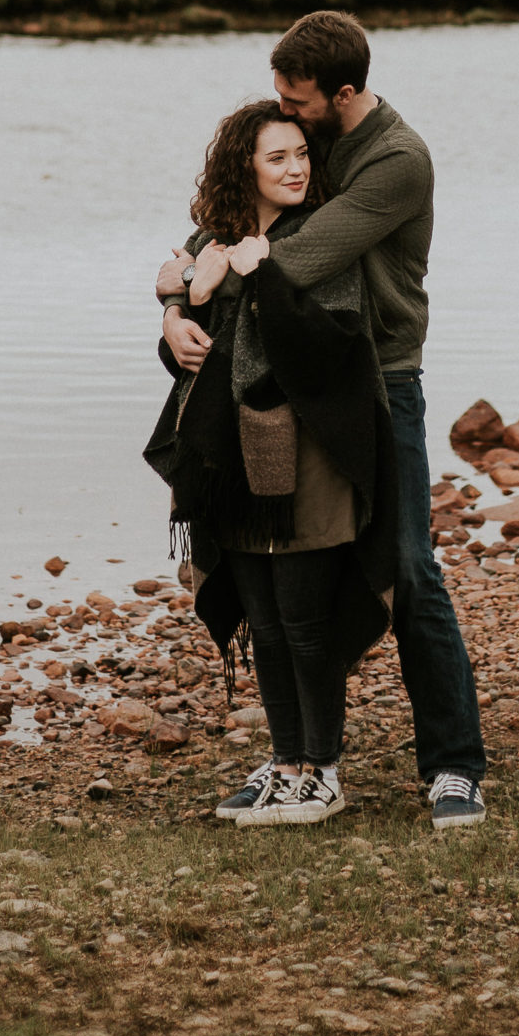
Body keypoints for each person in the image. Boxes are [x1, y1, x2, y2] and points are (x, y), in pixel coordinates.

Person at [157, 11, 487, 830]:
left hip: (379, 382)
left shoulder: (395, 160)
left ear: (340, 96)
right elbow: (225, 224)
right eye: (279, 104)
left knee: (406, 570)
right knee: (279, 575)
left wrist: (193, 275)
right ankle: (303, 758)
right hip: (299, 388)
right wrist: (171, 300)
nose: (287, 117)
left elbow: (287, 259)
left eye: (296, 104)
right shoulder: (310, 141)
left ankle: (452, 767)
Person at [145, 99, 397, 825]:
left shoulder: (318, 237)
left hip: (310, 449)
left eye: (300, 154)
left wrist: (263, 278)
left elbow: (330, 348)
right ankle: (285, 763)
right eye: (276, 157)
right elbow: (190, 346)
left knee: (305, 619)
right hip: (231, 455)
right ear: (243, 168)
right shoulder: (211, 236)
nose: (294, 168)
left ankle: (322, 770)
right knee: (262, 615)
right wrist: (174, 327)